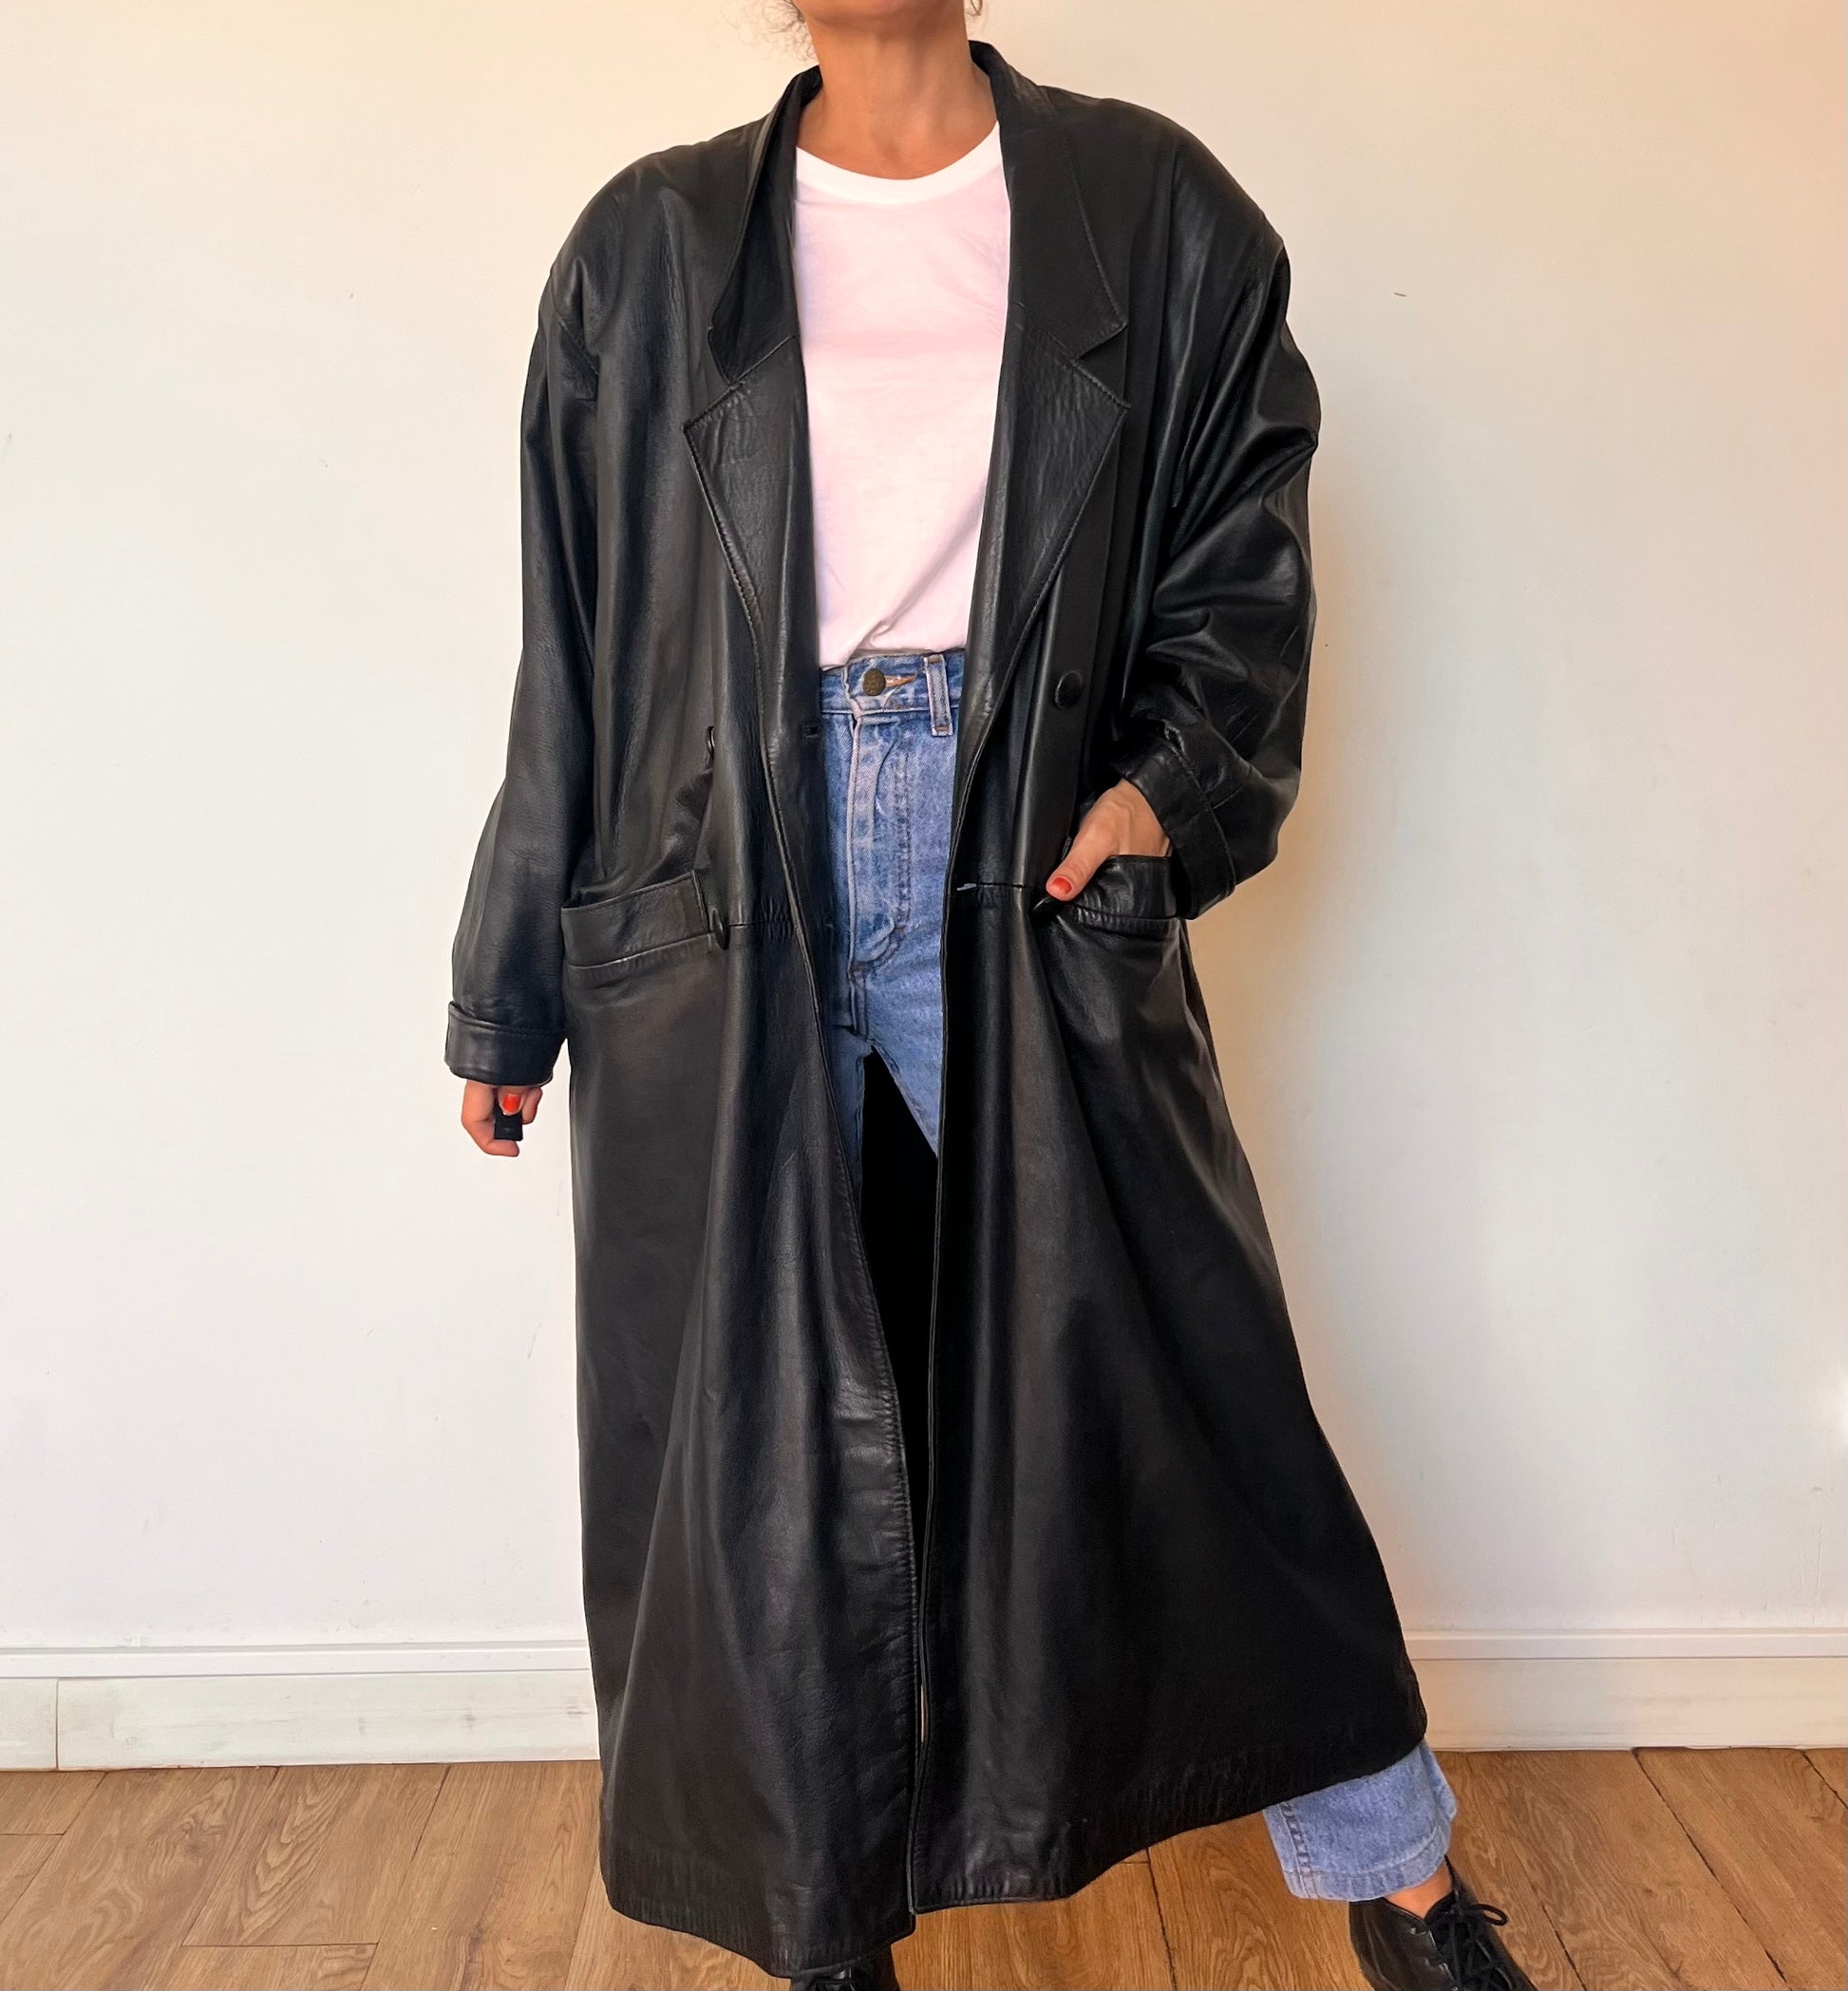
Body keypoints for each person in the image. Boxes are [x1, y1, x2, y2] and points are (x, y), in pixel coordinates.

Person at [447, 7, 1535, 1989]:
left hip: (1020, 861)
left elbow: (1244, 553)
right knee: (773, 1442)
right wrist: (510, 979)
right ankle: (823, 1927)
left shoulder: (1148, 207)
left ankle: (1402, 1884)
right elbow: (573, 640)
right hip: (728, 885)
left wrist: (1159, 791)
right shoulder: (648, 246)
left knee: (1189, 1398)